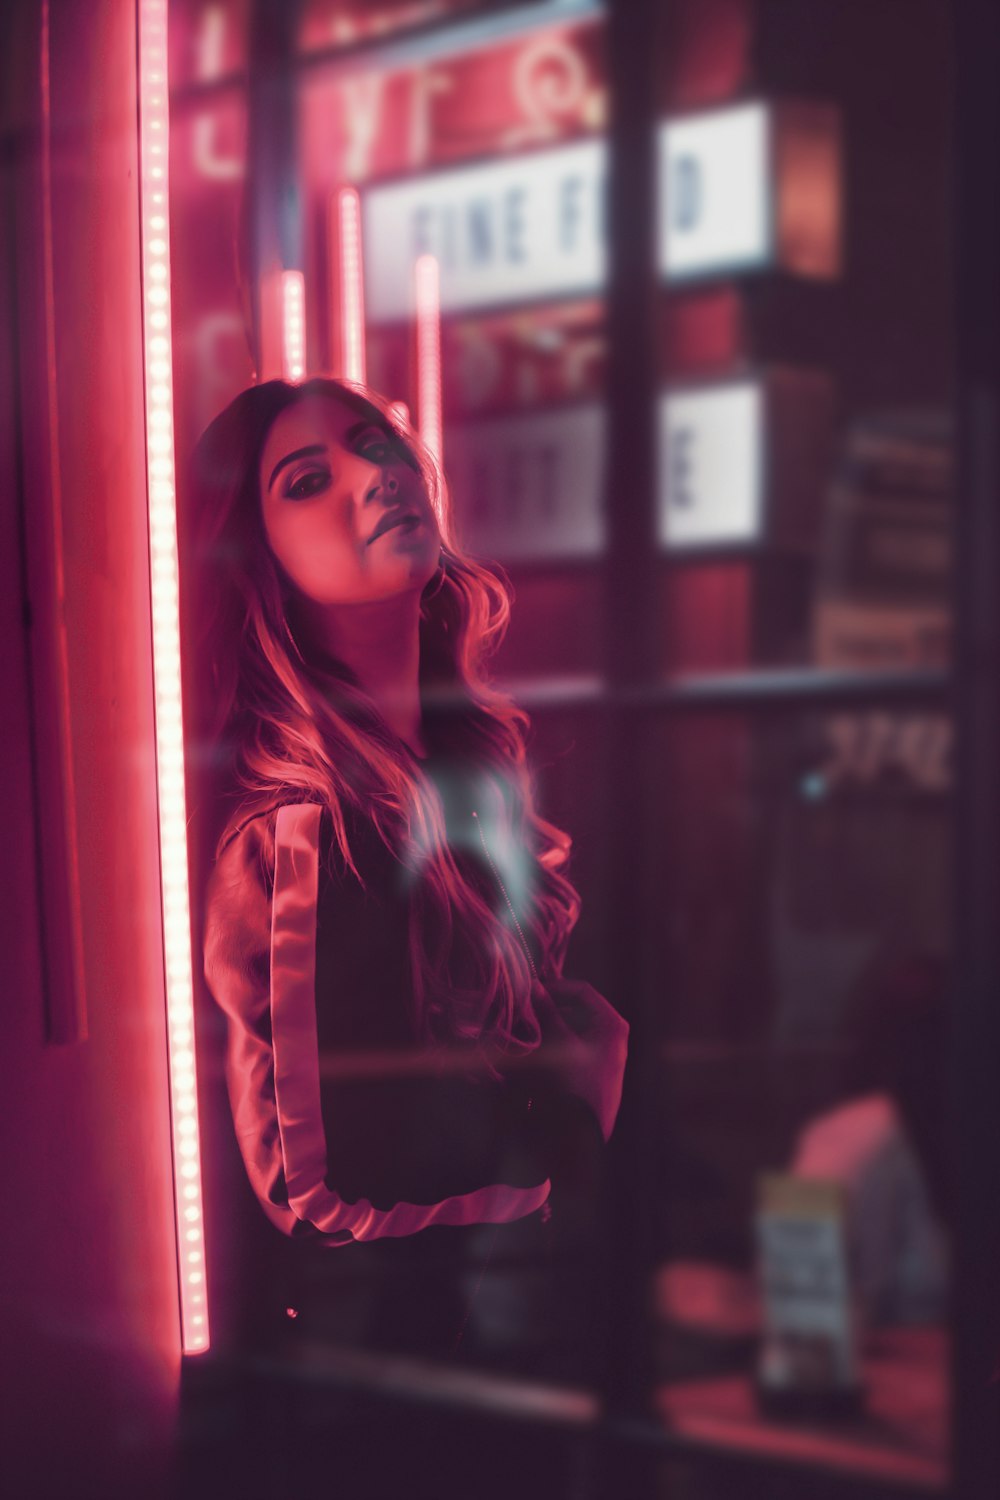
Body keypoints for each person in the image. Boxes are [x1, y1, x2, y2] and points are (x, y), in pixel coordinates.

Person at [182, 377, 628, 1387]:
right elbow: (326, 1190)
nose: (374, 474)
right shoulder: (302, 831)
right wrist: (570, 1111)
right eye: (307, 480)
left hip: (517, 1344)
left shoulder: (466, 771)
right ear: (258, 556)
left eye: (378, 441)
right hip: (388, 1390)